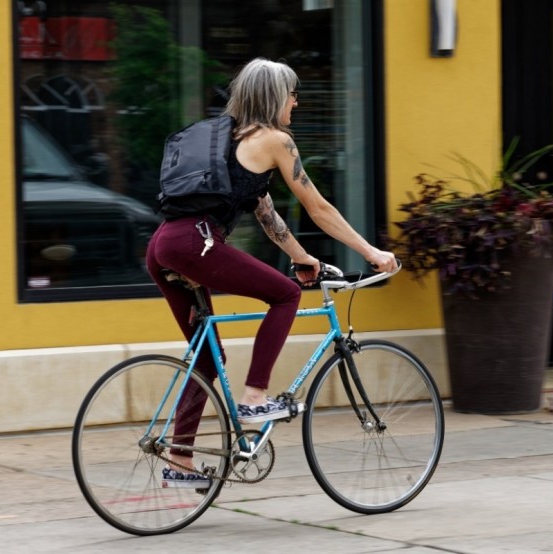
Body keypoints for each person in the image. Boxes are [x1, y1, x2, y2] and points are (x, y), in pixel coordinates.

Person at [146, 57, 397, 488]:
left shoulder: (229, 139)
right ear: (275, 97)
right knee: (284, 295)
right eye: (292, 94)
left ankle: (179, 459)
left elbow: (268, 217)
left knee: (207, 359)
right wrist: (371, 251)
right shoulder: (277, 140)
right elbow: (318, 207)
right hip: (197, 243)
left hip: (163, 245)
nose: (296, 102)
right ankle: (254, 398)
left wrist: (303, 258)